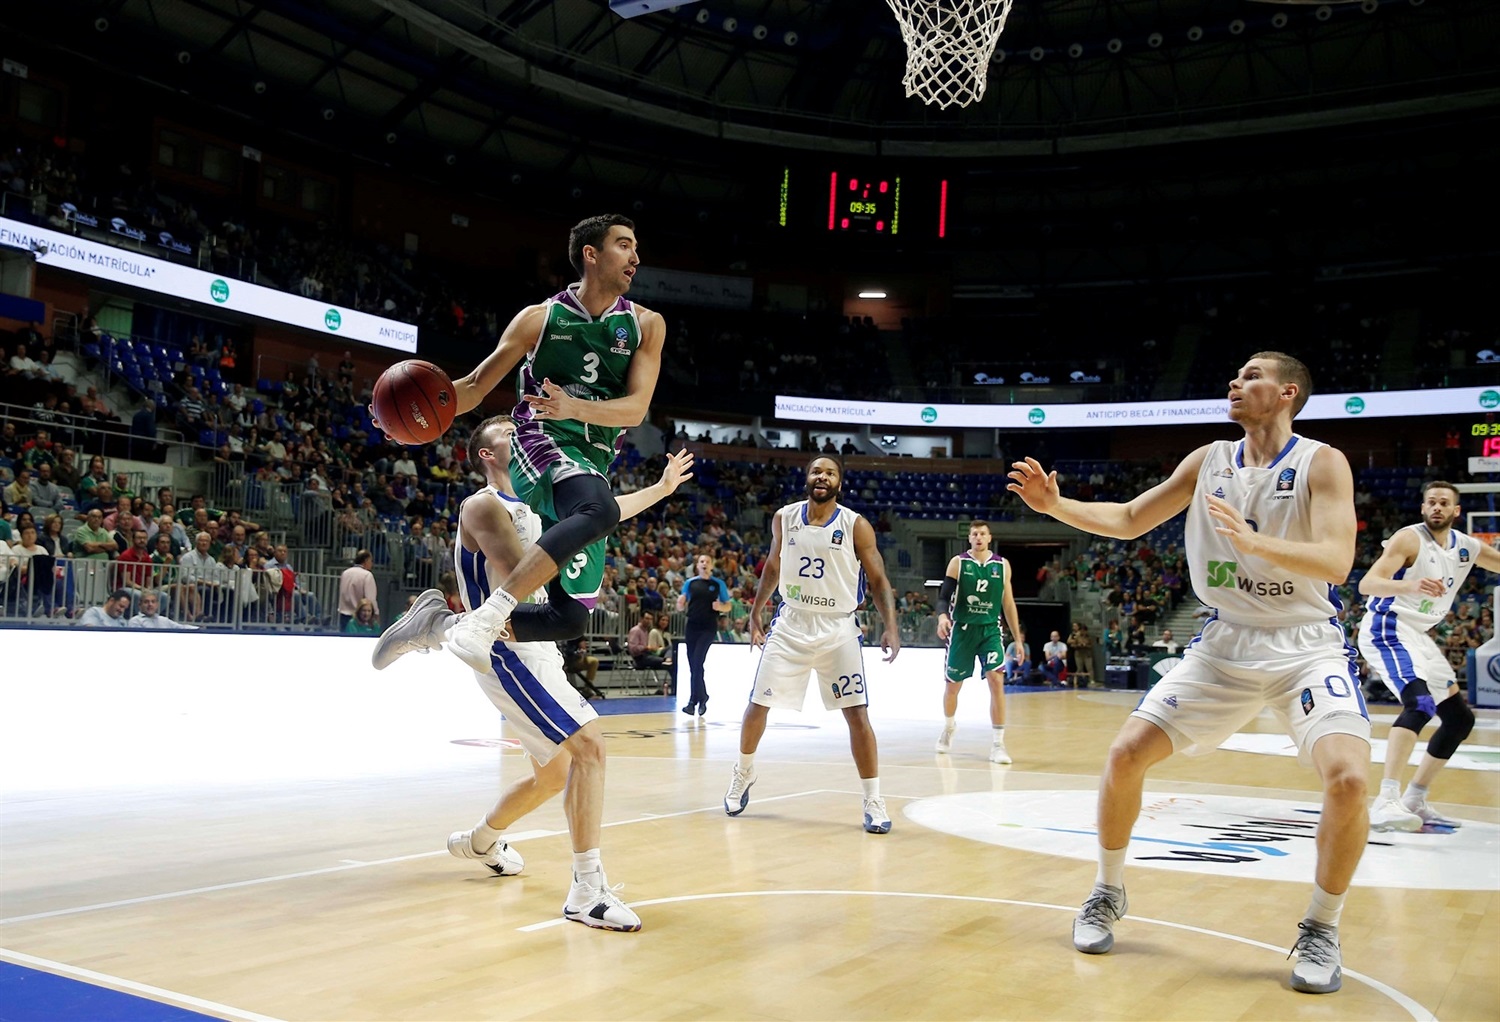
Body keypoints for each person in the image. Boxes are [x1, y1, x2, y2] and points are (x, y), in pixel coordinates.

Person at [1007, 352, 1367, 995]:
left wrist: (1257, 545)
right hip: (1225, 642)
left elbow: (1338, 561)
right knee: (1123, 755)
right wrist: (1055, 505)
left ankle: (1322, 927)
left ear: (1287, 393)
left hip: (1305, 645)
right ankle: (1107, 891)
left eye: (1252, 375)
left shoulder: (1322, 461)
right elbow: (1126, 520)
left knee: (1347, 781)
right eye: (1235, 373)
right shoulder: (1209, 462)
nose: (1236, 381)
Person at [367, 415, 692, 932]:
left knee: (555, 772)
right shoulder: (485, 506)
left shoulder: (539, 505)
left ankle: (480, 841)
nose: (525, 444)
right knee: (589, 747)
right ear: (488, 456)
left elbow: (604, 513)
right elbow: (526, 571)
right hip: (507, 648)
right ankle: (587, 891)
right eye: (511, 438)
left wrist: (658, 488)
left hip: (538, 647)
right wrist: (581, 536)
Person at [377, 215, 665, 665]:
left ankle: (438, 626)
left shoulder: (647, 325)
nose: (636, 257)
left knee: (567, 620)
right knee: (601, 509)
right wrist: (398, 415)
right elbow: (473, 386)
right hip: (541, 440)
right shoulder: (539, 319)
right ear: (591, 254)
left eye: (635, 247)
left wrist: (576, 407)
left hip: (593, 460)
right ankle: (490, 614)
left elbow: (635, 409)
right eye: (624, 246)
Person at [724, 455, 901, 833]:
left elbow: (880, 580)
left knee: (857, 715)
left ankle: (872, 799)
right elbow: (772, 566)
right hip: (791, 623)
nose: (822, 477)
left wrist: (892, 627)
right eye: (816, 471)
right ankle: (743, 772)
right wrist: (756, 611)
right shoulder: (783, 518)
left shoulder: (857, 526)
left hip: (838, 629)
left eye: (830, 473)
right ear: (807, 479)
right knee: (758, 705)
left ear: (840, 482)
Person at [1357, 480, 1499, 832]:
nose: (1436, 507)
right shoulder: (1409, 539)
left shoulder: (1466, 546)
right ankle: (1385, 800)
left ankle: (1414, 798)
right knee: (1419, 705)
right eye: (1431, 502)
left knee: (1459, 719)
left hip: (1417, 636)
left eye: (1443, 503)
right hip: (1387, 627)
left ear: (1456, 512)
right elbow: (1367, 584)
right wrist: (1409, 585)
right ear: (1422, 508)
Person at [935, 519, 1023, 763]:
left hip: (990, 631)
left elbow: (1008, 603)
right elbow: (944, 596)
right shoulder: (959, 562)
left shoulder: (1002, 565)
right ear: (970, 538)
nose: (979, 537)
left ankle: (998, 744)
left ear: (989, 537)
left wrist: (1017, 639)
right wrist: (942, 617)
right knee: (953, 687)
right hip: (962, 630)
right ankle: (949, 727)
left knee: (996, 681)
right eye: (974, 534)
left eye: (982, 533)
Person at [676, 553, 731, 715]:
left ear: (712, 565)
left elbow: (728, 605)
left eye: (707, 561)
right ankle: (702, 697)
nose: (704, 564)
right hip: (692, 625)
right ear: (697, 565)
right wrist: (680, 604)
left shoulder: (717, 584)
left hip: (708, 627)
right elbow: (681, 603)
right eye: (701, 561)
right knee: (694, 665)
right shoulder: (690, 583)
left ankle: (693, 701)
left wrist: (720, 607)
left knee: (698, 661)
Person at [337, 550, 379, 632]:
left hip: (343, 614)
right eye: (371, 561)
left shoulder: (345, 573)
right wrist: (376, 614)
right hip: (360, 617)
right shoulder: (367, 575)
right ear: (366, 560)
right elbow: (370, 599)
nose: (372, 564)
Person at [128, 589, 198, 630]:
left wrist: (200, 630)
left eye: (153, 602)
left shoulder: (164, 620)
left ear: (157, 604)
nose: (150, 604)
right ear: (140, 605)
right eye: (146, 602)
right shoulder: (135, 621)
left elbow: (182, 627)